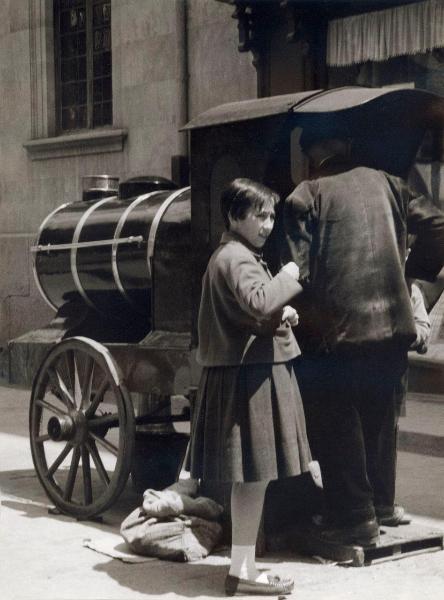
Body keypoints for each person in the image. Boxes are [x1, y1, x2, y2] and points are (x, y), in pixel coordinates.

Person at [284, 132, 444, 546]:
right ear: (348, 147)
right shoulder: (392, 183)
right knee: (379, 416)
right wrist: (412, 276)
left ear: (313, 155)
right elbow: (440, 226)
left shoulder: (307, 193)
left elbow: (296, 273)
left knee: (336, 421)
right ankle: (383, 506)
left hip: (338, 330)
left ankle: (355, 517)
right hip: (394, 326)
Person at [190, 178, 311, 596]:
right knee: (252, 478)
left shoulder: (232, 254)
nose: (268, 223)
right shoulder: (237, 257)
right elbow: (259, 301)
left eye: (271, 214)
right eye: (259, 214)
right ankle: (242, 572)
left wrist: (282, 314)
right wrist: (290, 275)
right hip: (250, 378)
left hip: (247, 373)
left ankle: (243, 567)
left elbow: (249, 314)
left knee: (252, 478)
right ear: (234, 216)